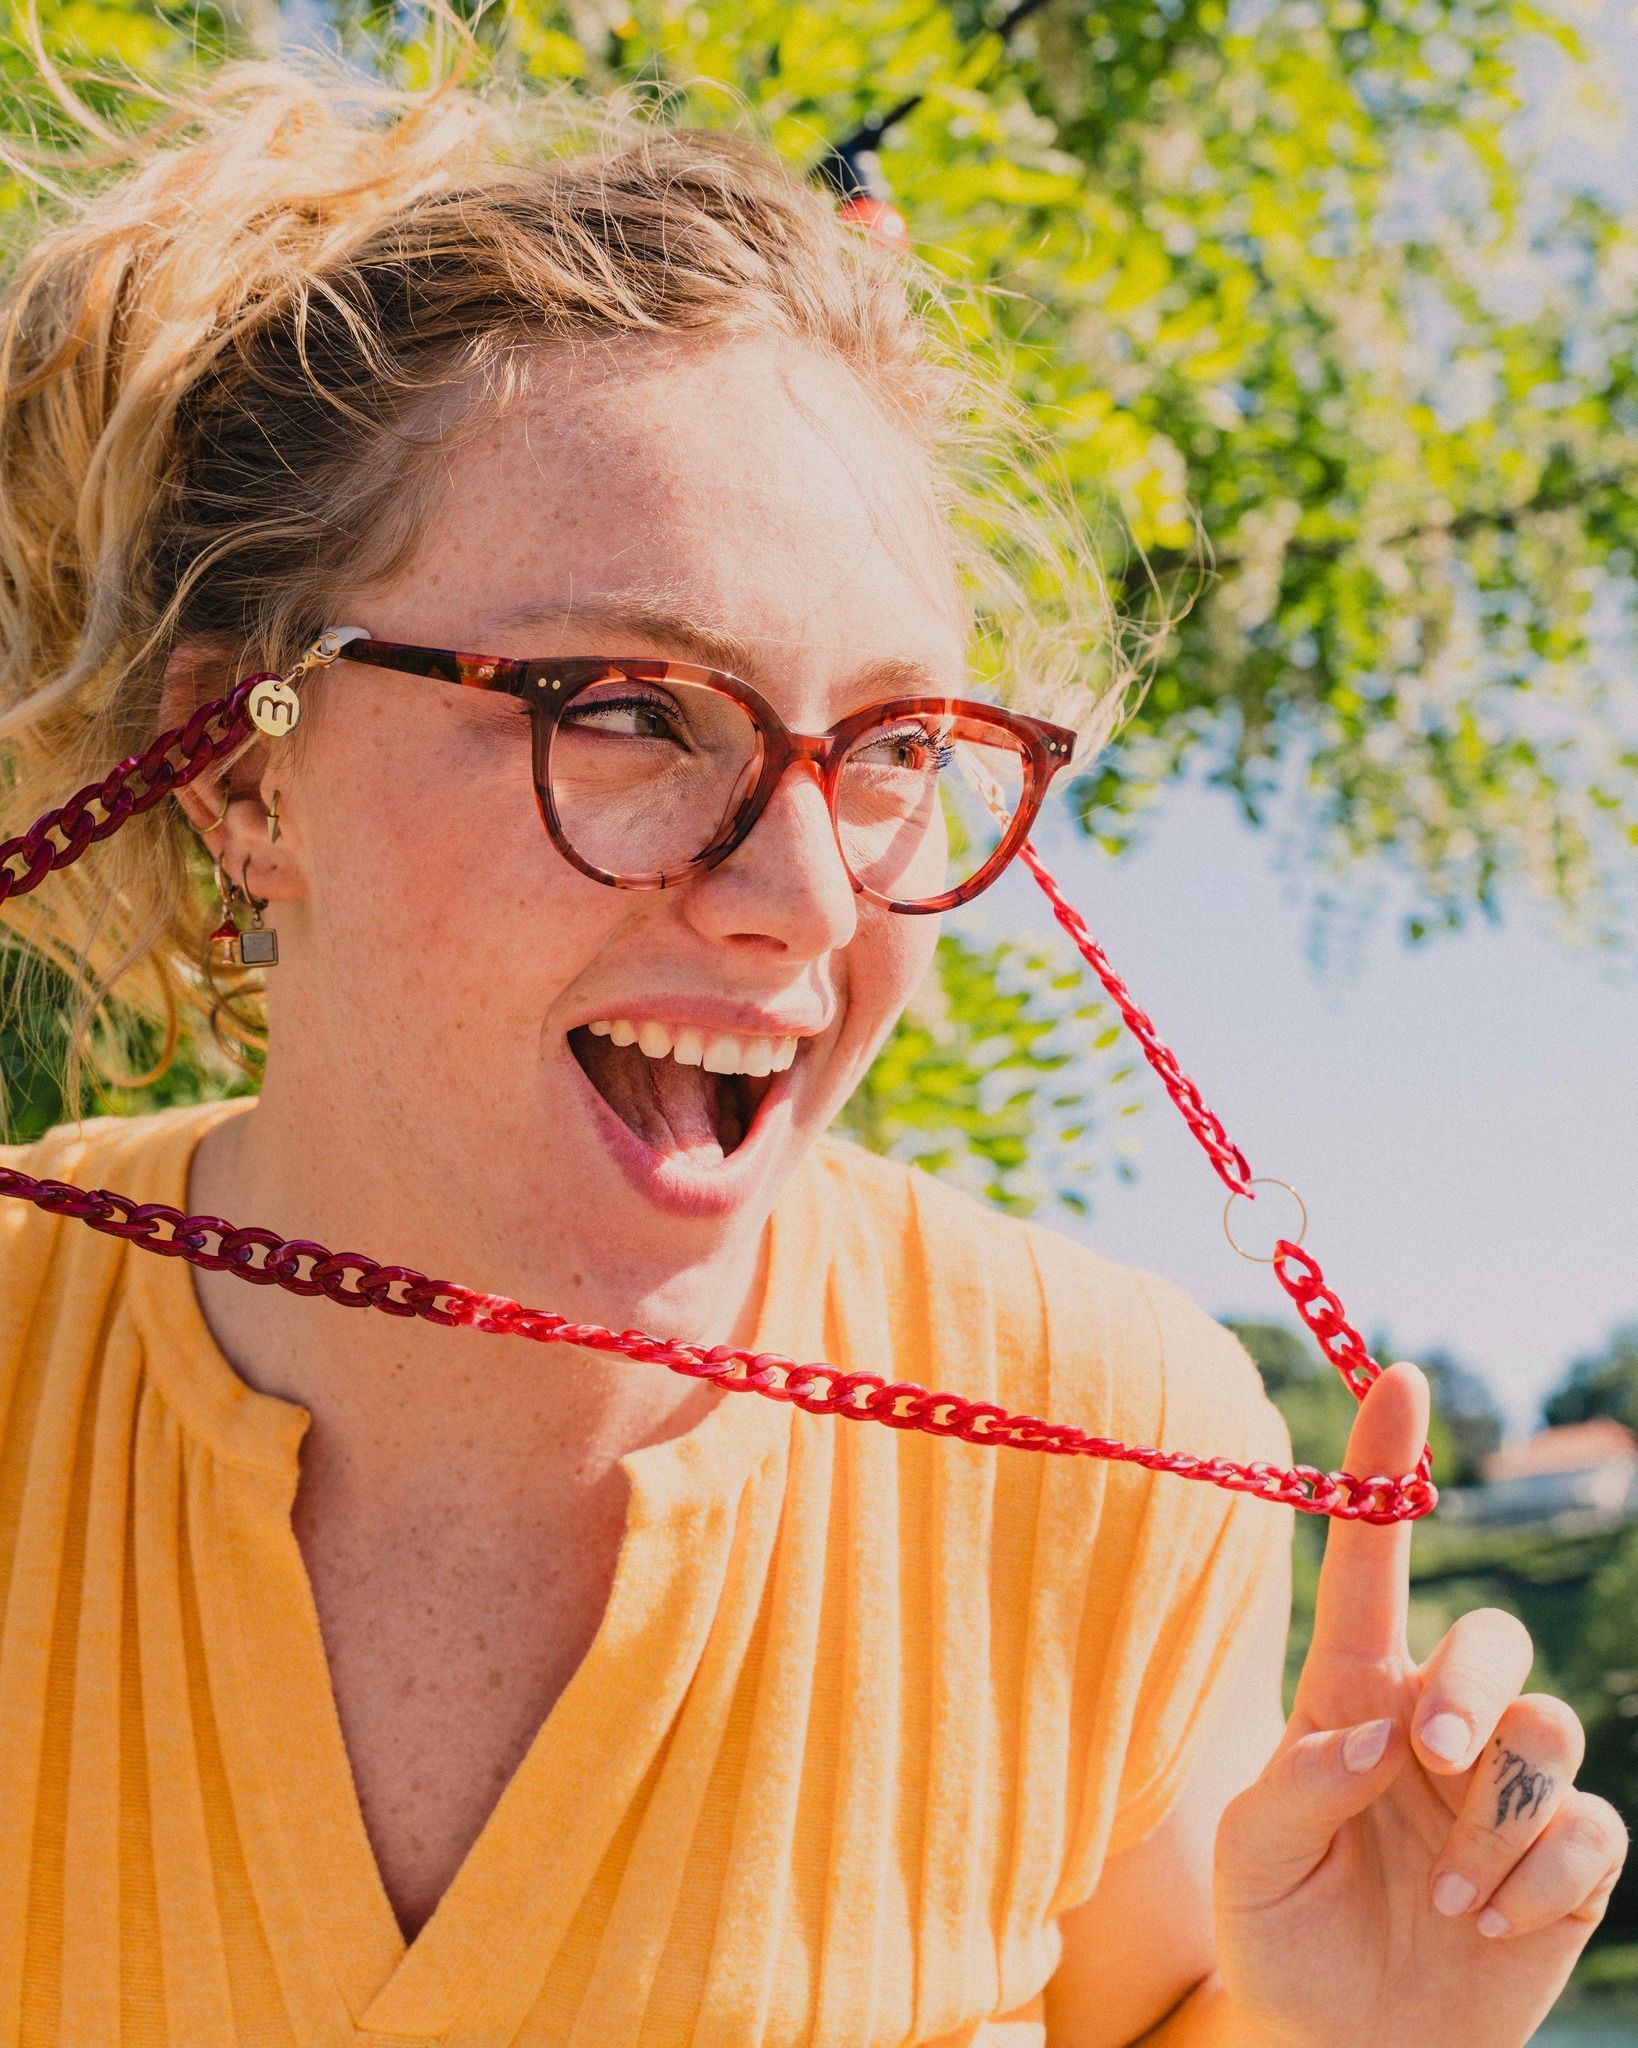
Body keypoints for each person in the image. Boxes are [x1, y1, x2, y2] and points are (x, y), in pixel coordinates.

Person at [0, 54, 1624, 2048]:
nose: (805, 896)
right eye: (620, 705)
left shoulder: (1116, 1436)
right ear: (244, 767)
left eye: (895, 751)